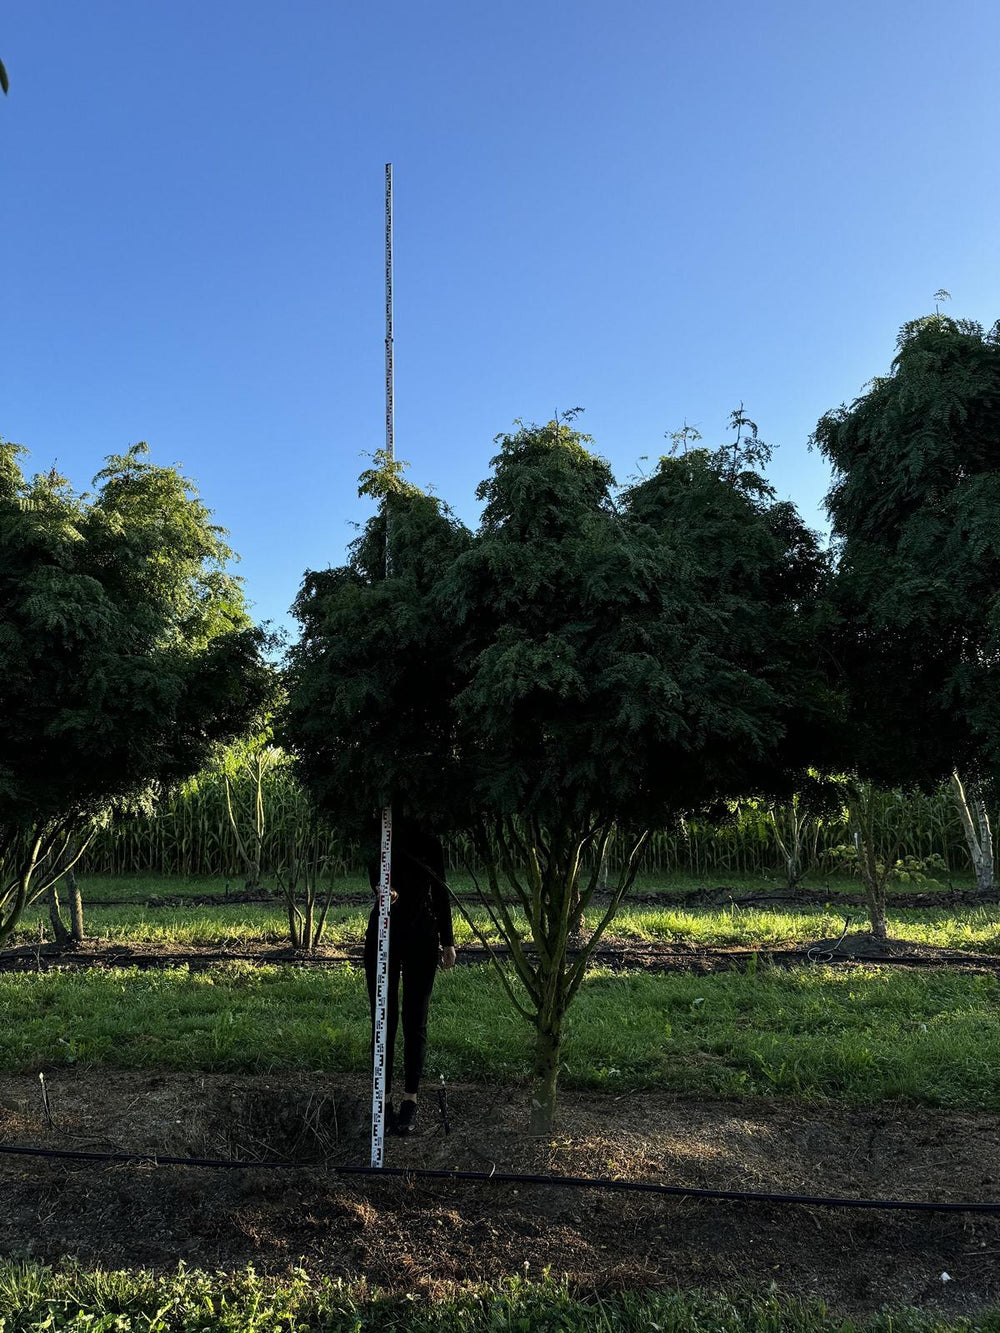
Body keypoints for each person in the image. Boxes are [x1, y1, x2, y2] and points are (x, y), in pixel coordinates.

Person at [365, 812, 456, 1136]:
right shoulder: (379, 833)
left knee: (415, 1020)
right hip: (383, 932)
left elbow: (441, 890)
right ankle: (383, 1099)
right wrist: (382, 890)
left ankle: (410, 1101)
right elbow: (375, 874)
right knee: (383, 1019)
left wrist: (448, 940)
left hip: (422, 933)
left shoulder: (430, 840)